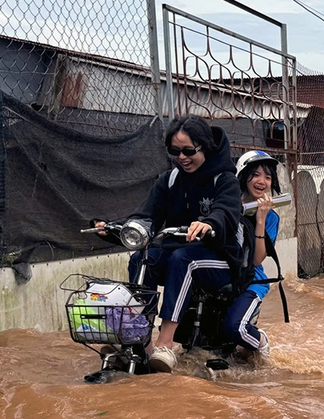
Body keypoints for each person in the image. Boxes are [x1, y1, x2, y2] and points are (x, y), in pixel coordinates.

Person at [96, 115, 243, 373]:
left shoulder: (225, 180)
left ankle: (166, 344)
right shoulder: (169, 179)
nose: (182, 157)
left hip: (219, 259)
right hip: (180, 252)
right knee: (144, 257)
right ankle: (139, 338)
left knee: (183, 259)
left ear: (205, 147)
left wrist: (209, 224)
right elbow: (147, 215)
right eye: (175, 151)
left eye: (188, 151)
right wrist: (114, 228)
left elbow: (226, 212)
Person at [227, 150, 285, 357]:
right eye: (256, 174)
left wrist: (260, 220)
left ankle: (260, 341)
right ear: (243, 176)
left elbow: (258, 259)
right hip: (223, 275)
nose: (262, 181)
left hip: (253, 281)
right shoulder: (227, 206)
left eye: (268, 177)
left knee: (236, 328)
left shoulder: (271, 217)